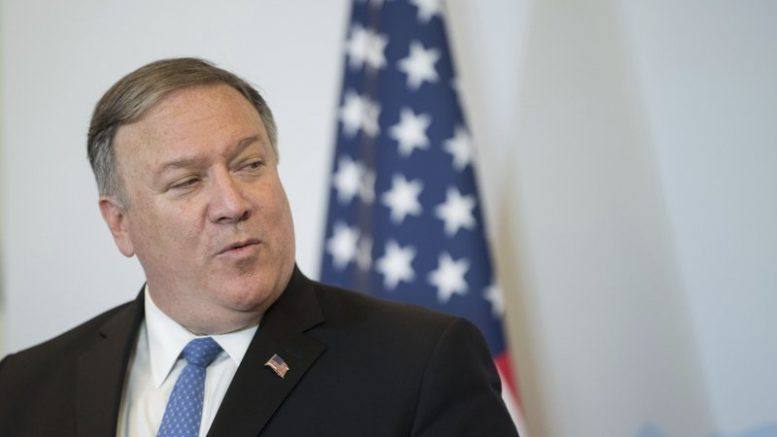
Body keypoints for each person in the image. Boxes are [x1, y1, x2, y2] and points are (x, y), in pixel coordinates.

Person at [0, 58, 518, 437]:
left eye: (250, 165)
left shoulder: (421, 363)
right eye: (186, 181)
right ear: (120, 223)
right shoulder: (23, 386)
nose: (233, 203)